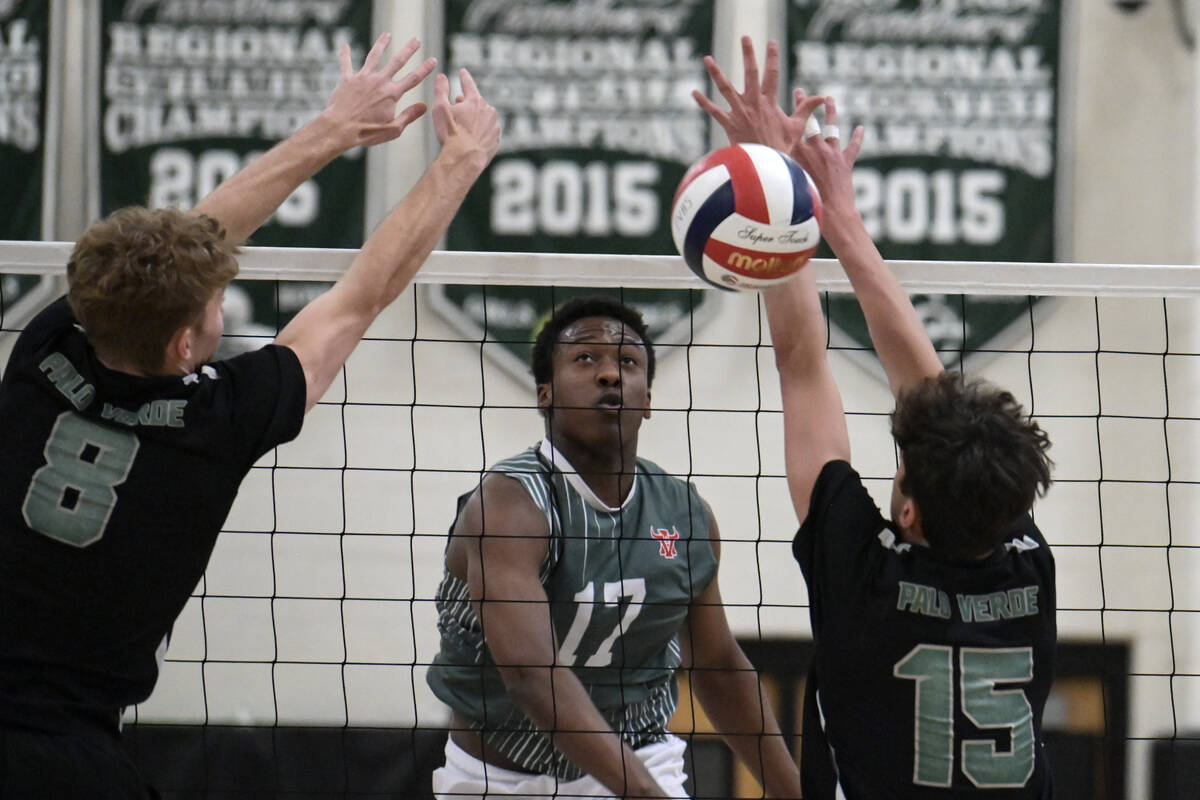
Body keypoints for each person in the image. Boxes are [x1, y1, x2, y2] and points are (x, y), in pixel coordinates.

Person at [0, 33, 499, 798]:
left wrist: (333, 128)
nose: (220, 300)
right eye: (213, 302)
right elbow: (363, 293)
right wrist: (460, 161)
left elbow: (182, 246)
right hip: (63, 757)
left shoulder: (44, 352)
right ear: (183, 342)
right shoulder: (219, 422)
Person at [694, 39, 1057, 798]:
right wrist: (841, 225)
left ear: (913, 508)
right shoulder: (1025, 564)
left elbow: (803, 364)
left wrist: (788, 209)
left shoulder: (869, 585)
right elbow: (933, 411)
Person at [426, 296, 804, 799]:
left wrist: (796, 792)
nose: (609, 374)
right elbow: (530, 675)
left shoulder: (684, 514)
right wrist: (644, 794)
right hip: (499, 775)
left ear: (647, 397)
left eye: (627, 362)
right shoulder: (509, 505)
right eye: (585, 359)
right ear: (545, 394)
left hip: (641, 754)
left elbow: (717, 664)